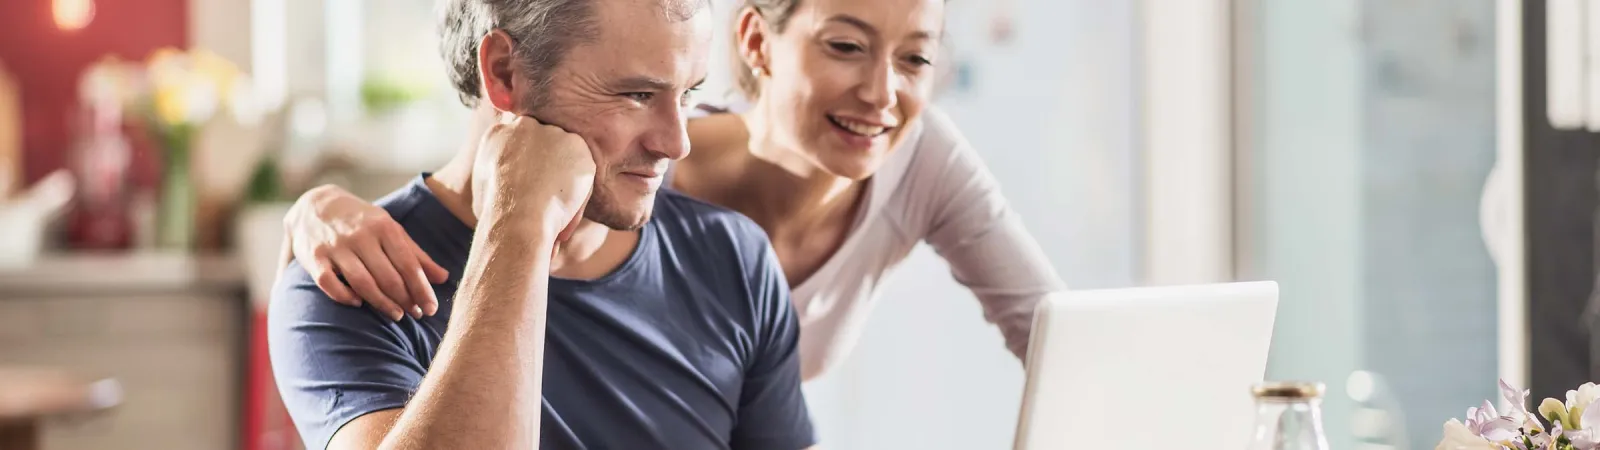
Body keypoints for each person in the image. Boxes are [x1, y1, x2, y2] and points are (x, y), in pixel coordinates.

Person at [282, 0, 1066, 381]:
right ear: (756, 42)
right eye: (844, 46)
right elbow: (499, 163)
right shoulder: (638, 171)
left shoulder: (920, 156)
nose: (882, 94)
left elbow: (1058, 338)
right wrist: (320, 208)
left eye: (917, 61)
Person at [267, 0, 817, 448]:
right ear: (505, 72)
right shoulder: (351, 285)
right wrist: (519, 222)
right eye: (637, 94)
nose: (677, 142)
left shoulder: (734, 258)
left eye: (689, 93)